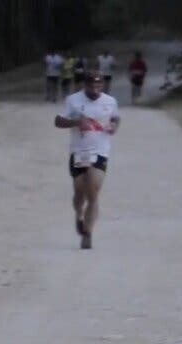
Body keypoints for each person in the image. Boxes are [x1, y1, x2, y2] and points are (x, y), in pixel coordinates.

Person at [54, 71, 120, 250]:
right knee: (79, 192)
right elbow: (58, 121)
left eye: (99, 86)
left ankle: (88, 233)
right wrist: (76, 122)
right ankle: (79, 215)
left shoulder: (110, 101)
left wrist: (114, 125)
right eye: (92, 86)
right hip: (79, 152)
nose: (95, 89)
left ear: (103, 85)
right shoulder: (73, 100)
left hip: (100, 152)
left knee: (93, 192)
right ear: (85, 85)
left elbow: (115, 117)